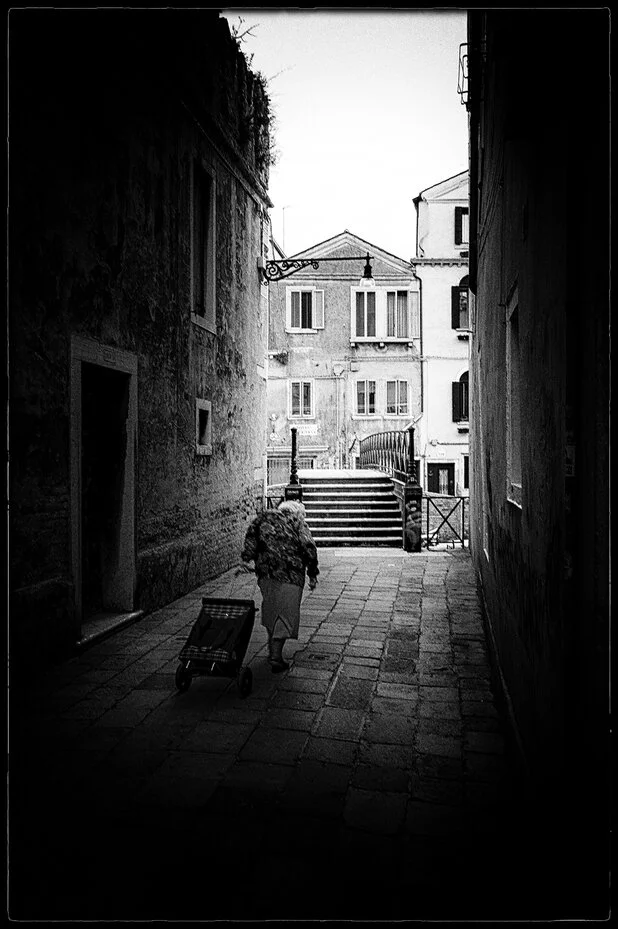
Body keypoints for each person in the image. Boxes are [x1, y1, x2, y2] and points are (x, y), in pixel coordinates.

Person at [240, 500, 319, 672]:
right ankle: (275, 657)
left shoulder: (262, 518)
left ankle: (272, 650)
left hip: (266, 574)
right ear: (298, 513)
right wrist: (312, 574)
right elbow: (309, 546)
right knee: (286, 615)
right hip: (290, 575)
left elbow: (251, 539)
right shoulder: (297, 522)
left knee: (272, 610)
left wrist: (246, 559)